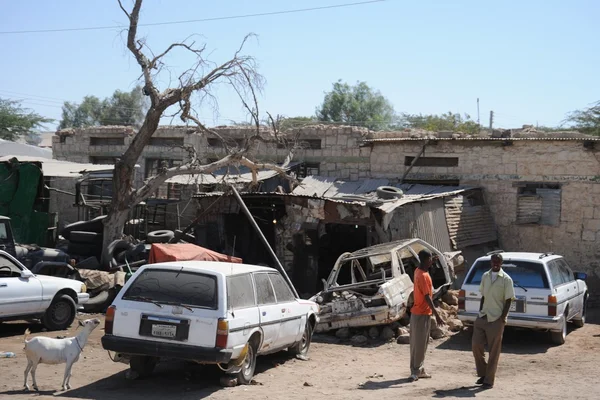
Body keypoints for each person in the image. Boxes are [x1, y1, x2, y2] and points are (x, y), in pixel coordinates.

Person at [471, 253, 515, 388]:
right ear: (491, 262)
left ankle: (489, 380)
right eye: (493, 261)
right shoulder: (485, 276)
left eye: (498, 262)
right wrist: (480, 312)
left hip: (496, 318)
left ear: (501, 263)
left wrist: (502, 318)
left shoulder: (506, 280)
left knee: (494, 351)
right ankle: (483, 373)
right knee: (476, 345)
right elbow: (483, 296)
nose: (495, 264)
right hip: (483, 316)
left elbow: (509, 300)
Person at [409, 249, 445, 382]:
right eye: (430, 259)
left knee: (419, 343)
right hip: (422, 313)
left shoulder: (418, 271)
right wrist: (437, 315)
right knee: (419, 344)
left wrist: (431, 262)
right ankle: (415, 371)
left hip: (418, 313)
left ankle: (419, 369)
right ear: (425, 260)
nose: (431, 261)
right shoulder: (423, 275)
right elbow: (427, 297)